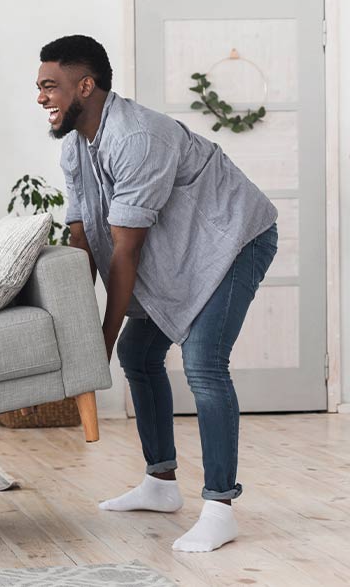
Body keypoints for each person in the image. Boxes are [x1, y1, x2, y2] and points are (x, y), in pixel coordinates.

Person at [37, 35, 278, 552]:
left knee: (204, 363)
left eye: (50, 85)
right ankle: (161, 482)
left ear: (85, 86)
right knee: (140, 354)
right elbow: (83, 241)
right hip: (183, 247)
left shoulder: (138, 138)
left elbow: (126, 252)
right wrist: (81, 337)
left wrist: (99, 346)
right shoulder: (75, 148)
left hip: (235, 239)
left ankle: (220, 506)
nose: (41, 97)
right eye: (40, 87)